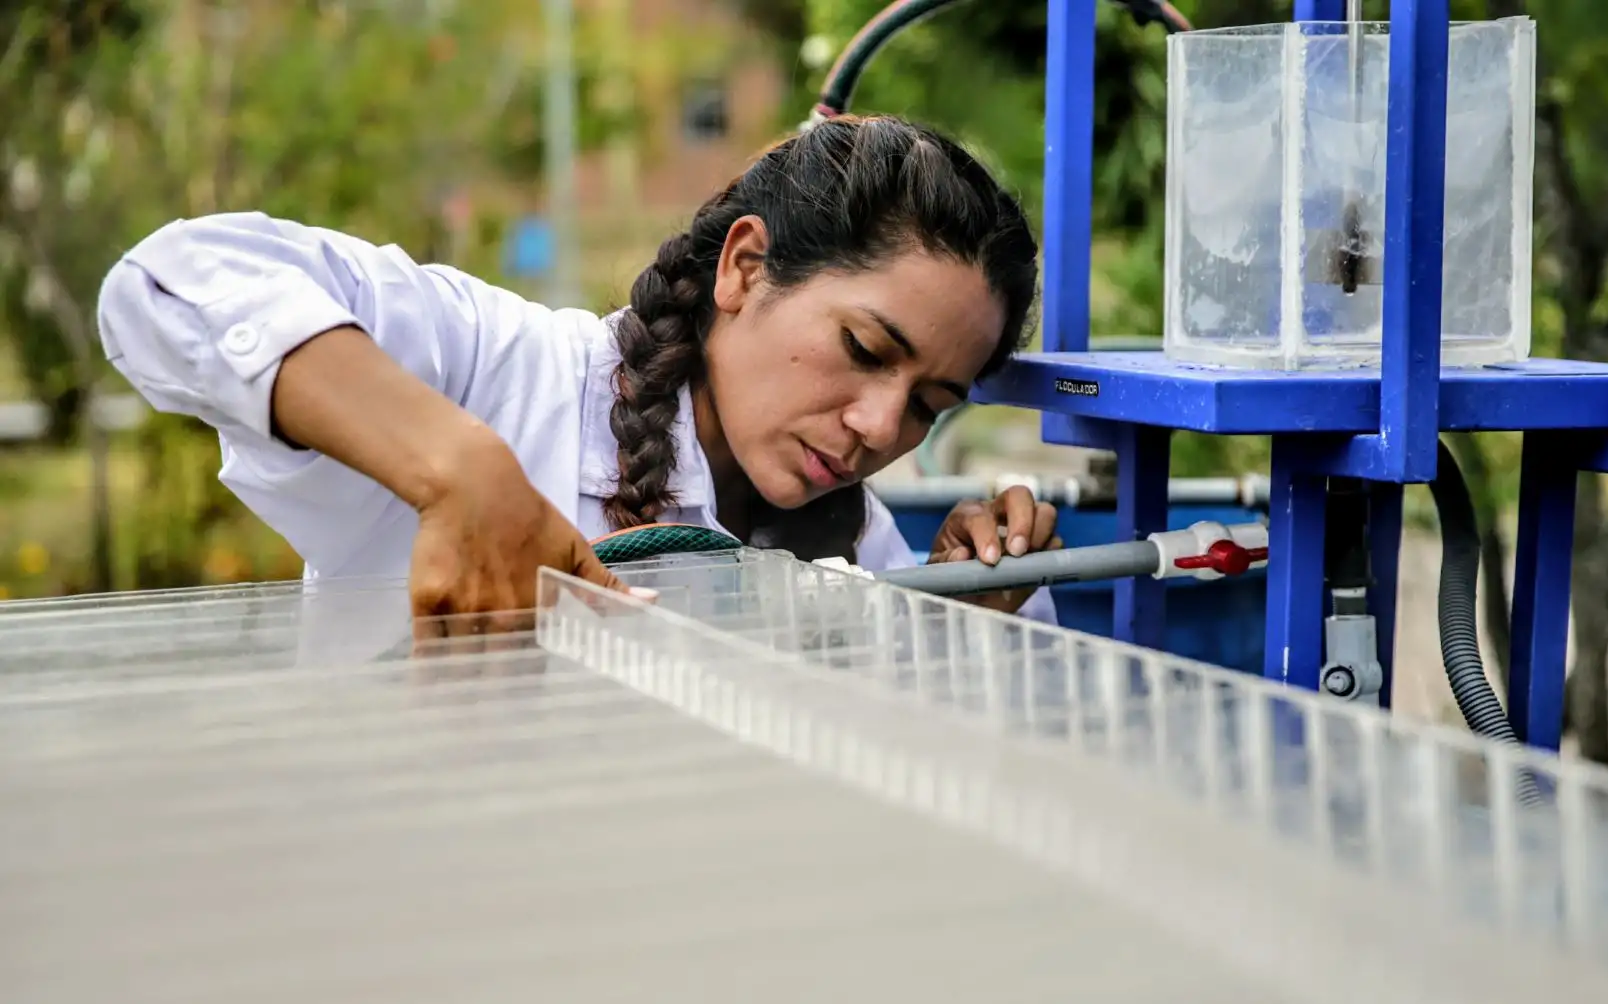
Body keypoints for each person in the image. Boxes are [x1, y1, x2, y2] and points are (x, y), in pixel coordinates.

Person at [96, 115, 1060, 633]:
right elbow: (168, 281)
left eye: (930, 406)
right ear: (744, 268)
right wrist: (453, 468)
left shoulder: (862, 548)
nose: (879, 427)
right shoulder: (496, 372)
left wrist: (970, 625)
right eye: (864, 350)